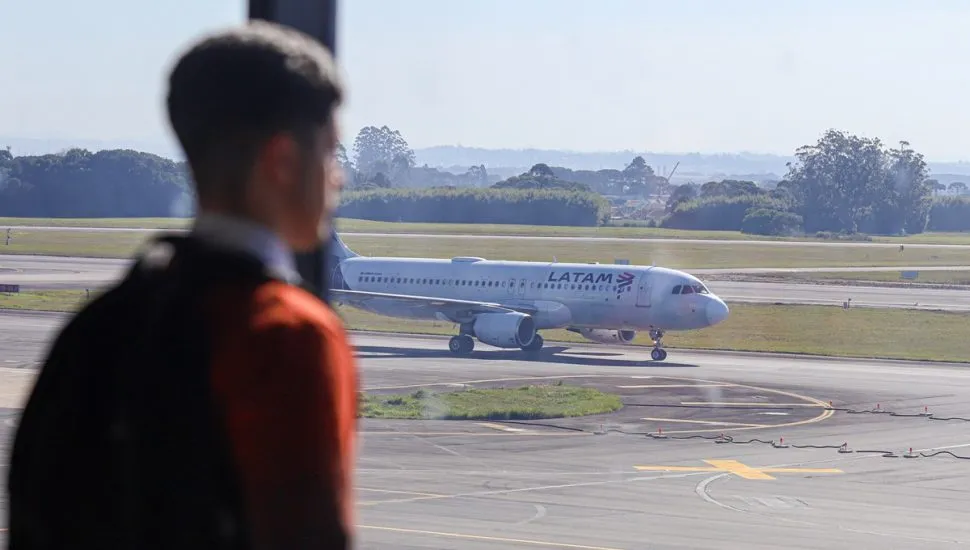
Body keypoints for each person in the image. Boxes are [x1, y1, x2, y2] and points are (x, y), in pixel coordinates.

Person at [7, 21, 358, 550]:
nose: (340, 178)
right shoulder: (287, 334)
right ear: (282, 162)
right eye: (332, 154)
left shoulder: (98, 324)